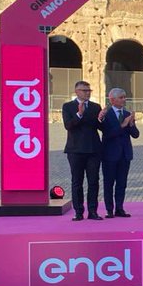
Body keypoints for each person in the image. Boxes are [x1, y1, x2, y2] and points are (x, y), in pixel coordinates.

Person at [62, 80, 103, 221]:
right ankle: (78, 212)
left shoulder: (95, 107)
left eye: (89, 91)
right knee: (77, 182)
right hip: (75, 150)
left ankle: (93, 211)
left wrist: (102, 119)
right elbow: (68, 125)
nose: (87, 93)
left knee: (93, 181)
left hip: (93, 149)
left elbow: (100, 127)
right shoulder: (68, 106)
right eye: (84, 91)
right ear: (77, 92)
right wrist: (79, 114)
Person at [99, 88, 140, 218]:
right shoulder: (106, 114)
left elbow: (136, 135)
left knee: (122, 183)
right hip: (109, 154)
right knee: (109, 183)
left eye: (124, 97)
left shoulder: (127, 114)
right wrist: (123, 125)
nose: (124, 100)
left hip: (125, 154)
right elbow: (107, 134)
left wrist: (132, 124)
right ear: (112, 100)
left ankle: (120, 208)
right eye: (121, 97)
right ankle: (109, 210)